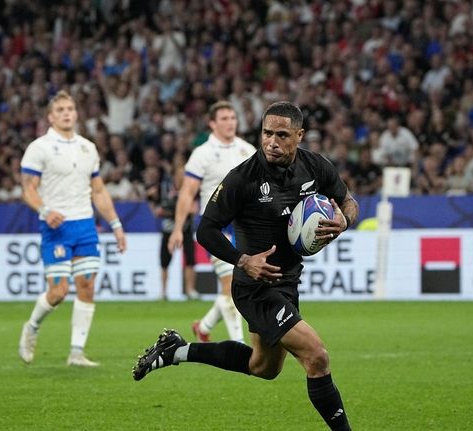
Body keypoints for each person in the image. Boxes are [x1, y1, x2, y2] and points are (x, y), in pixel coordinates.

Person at [132, 102, 358, 431]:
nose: (272, 142)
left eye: (282, 135)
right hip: (254, 287)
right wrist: (243, 260)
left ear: (299, 136)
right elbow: (205, 230)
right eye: (267, 133)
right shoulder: (243, 178)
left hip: (287, 281)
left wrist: (344, 221)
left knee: (263, 367)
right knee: (317, 356)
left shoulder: (315, 167)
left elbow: (348, 200)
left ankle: (177, 351)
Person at [18, 90, 127, 367]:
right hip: (56, 227)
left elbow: (99, 190)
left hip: (85, 226)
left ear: (76, 113)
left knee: (87, 288)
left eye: (70, 109)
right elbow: (28, 189)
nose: (67, 113)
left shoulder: (87, 148)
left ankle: (76, 352)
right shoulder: (39, 148)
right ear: (51, 117)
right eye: (61, 110)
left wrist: (115, 225)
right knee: (57, 292)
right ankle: (31, 327)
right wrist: (44, 210)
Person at [167, 100, 255, 343]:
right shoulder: (202, 153)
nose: (230, 123)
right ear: (212, 124)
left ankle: (203, 327)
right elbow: (187, 192)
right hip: (216, 228)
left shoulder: (247, 150)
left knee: (240, 283)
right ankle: (239, 345)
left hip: (244, 227)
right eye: (224, 119)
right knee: (231, 285)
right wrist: (177, 229)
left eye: (233, 118)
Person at [152, 164, 198, 300]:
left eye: (184, 174)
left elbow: (193, 209)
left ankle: (190, 290)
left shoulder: (191, 189)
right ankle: (163, 291)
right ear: (174, 176)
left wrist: (171, 210)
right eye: (179, 174)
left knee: (190, 259)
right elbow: (157, 208)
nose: (181, 177)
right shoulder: (164, 188)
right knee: (164, 260)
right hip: (168, 229)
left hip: (186, 228)